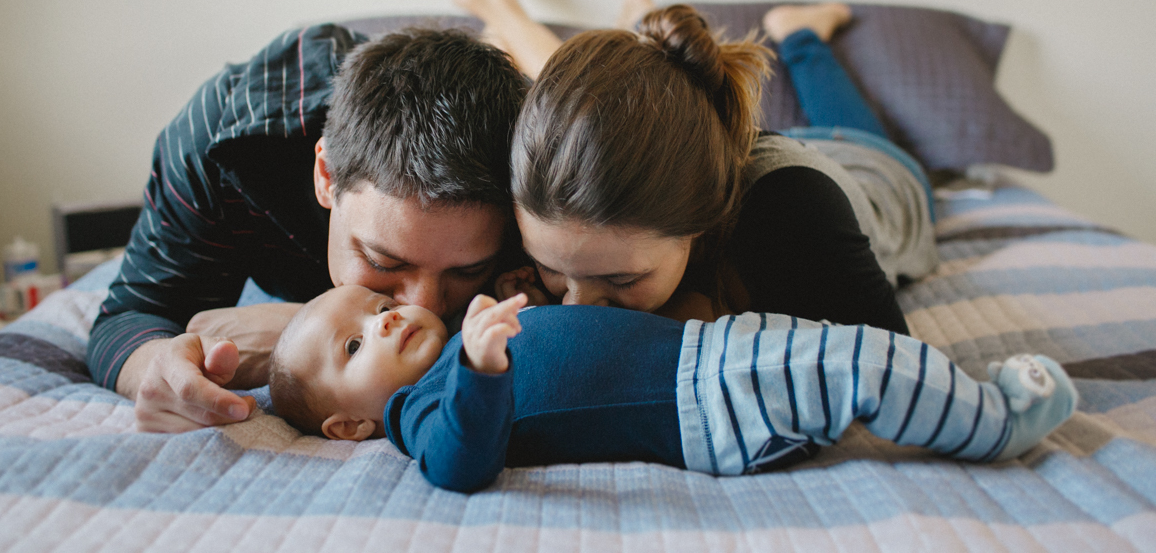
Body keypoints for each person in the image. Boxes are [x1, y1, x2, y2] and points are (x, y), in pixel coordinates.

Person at [454, 0, 937, 331]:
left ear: (705, 219)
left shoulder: (796, 215)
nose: (575, 309)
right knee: (581, 115)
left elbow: (894, 373)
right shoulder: (551, 203)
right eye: (552, 269)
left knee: (857, 132)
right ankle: (625, 26)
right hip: (738, 145)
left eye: (622, 278)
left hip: (873, 168)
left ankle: (801, 35)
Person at [87, 25, 529, 432]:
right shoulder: (217, 146)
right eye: (383, 261)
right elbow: (128, 317)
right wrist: (160, 368)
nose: (424, 307)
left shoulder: (534, 170)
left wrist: (286, 330)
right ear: (326, 176)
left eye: (468, 271)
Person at [268, 279, 1078, 494]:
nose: (382, 320)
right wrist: (480, 369)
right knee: (858, 365)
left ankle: (953, 398)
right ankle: (995, 421)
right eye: (354, 344)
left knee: (838, 347)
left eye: (375, 304)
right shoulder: (418, 412)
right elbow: (458, 465)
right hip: (702, 403)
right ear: (349, 426)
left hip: (706, 353)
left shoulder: (461, 340)